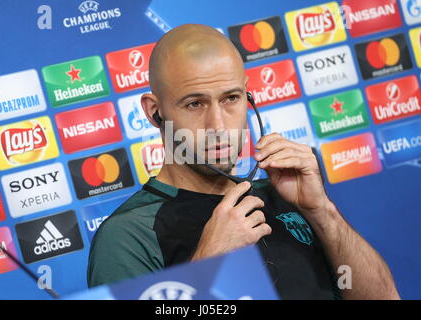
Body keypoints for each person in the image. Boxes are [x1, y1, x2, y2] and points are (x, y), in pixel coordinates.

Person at [87, 24, 400, 300]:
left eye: (231, 99)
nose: (219, 126)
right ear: (155, 111)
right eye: (195, 103)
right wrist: (208, 265)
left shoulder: (286, 194)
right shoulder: (128, 236)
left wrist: (322, 213)